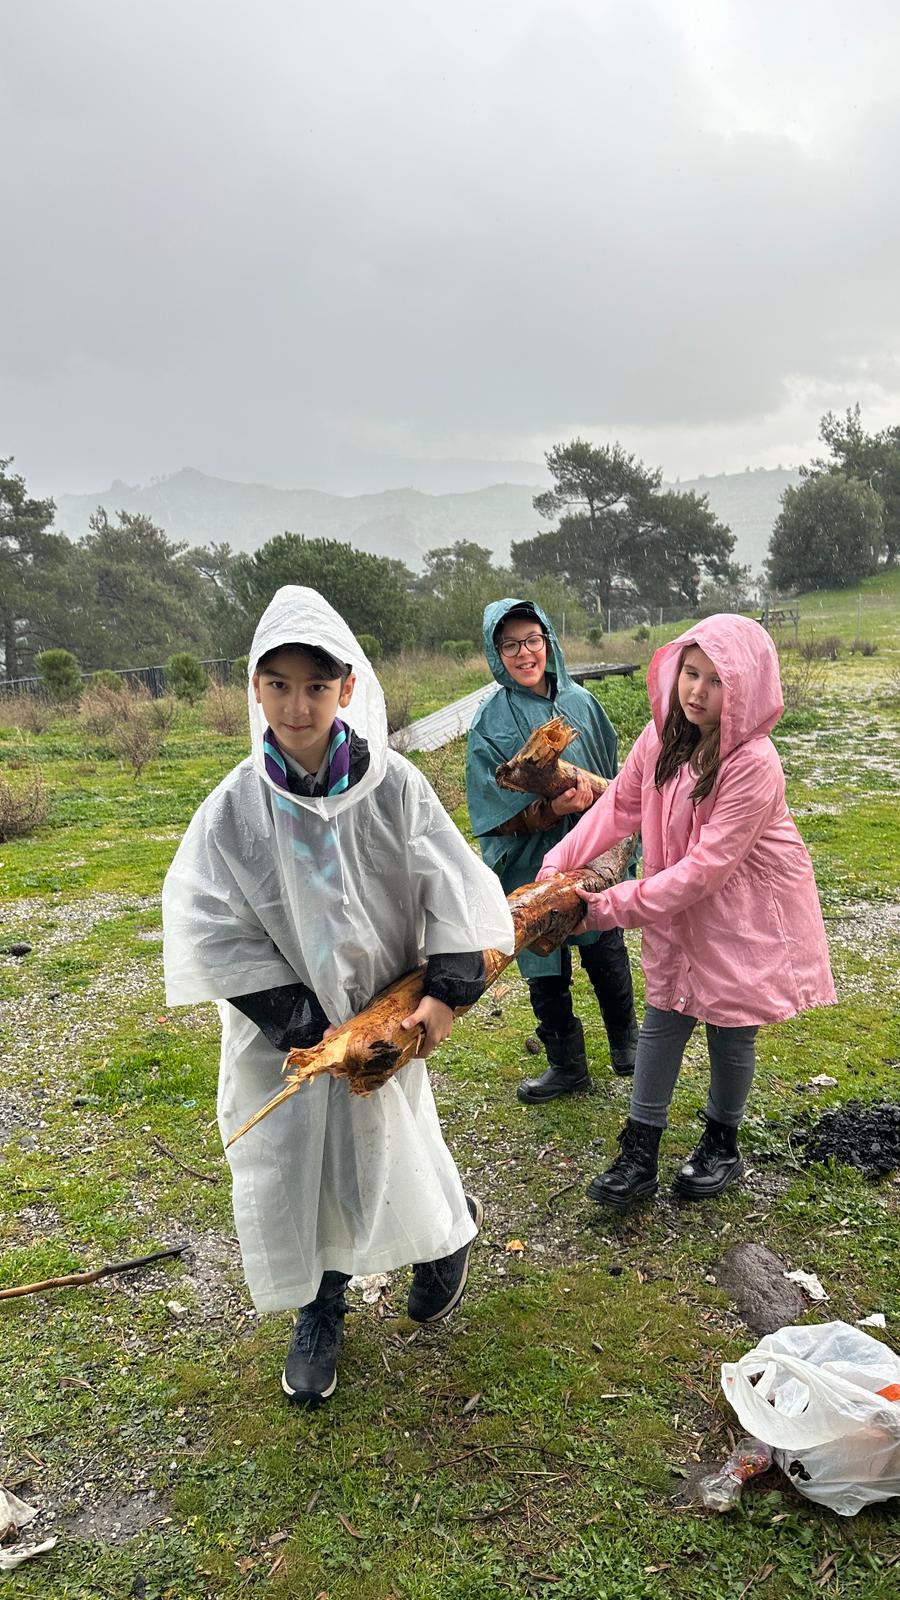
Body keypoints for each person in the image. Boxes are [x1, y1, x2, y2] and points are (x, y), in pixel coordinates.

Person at [162, 586, 514, 1405]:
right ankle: (321, 1310)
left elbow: (453, 890)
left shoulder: (392, 788)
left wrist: (445, 998)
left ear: (347, 689)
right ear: (253, 687)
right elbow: (212, 924)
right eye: (277, 684)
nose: (297, 704)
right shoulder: (236, 811)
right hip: (283, 1026)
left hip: (384, 1016)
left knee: (386, 1141)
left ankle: (441, 1239)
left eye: (316, 687)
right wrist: (306, 1024)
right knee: (298, 1166)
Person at [537, 613, 836, 1212]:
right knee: (665, 1011)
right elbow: (617, 807)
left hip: (743, 908)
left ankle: (722, 1141)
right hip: (677, 899)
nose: (697, 691)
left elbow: (706, 871)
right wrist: (555, 867)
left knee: (730, 1024)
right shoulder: (662, 736)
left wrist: (604, 909)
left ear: (746, 685)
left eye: (716, 680)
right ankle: (639, 1153)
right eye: (690, 673)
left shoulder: (754, 763)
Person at [466, 599, 638, 1103]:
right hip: (529, 861)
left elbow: (619, 785)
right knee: (543, 962)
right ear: (496, 654)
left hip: (593, 855)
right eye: (510, 645)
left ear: (548, 642)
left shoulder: (583, 704)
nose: (525, 654)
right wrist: (545, 813)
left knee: (605, 943)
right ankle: (567, 1065)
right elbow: (491, 811)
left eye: (532, 640)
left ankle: (628, 1045)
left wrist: (591, 796)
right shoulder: (488, 723)